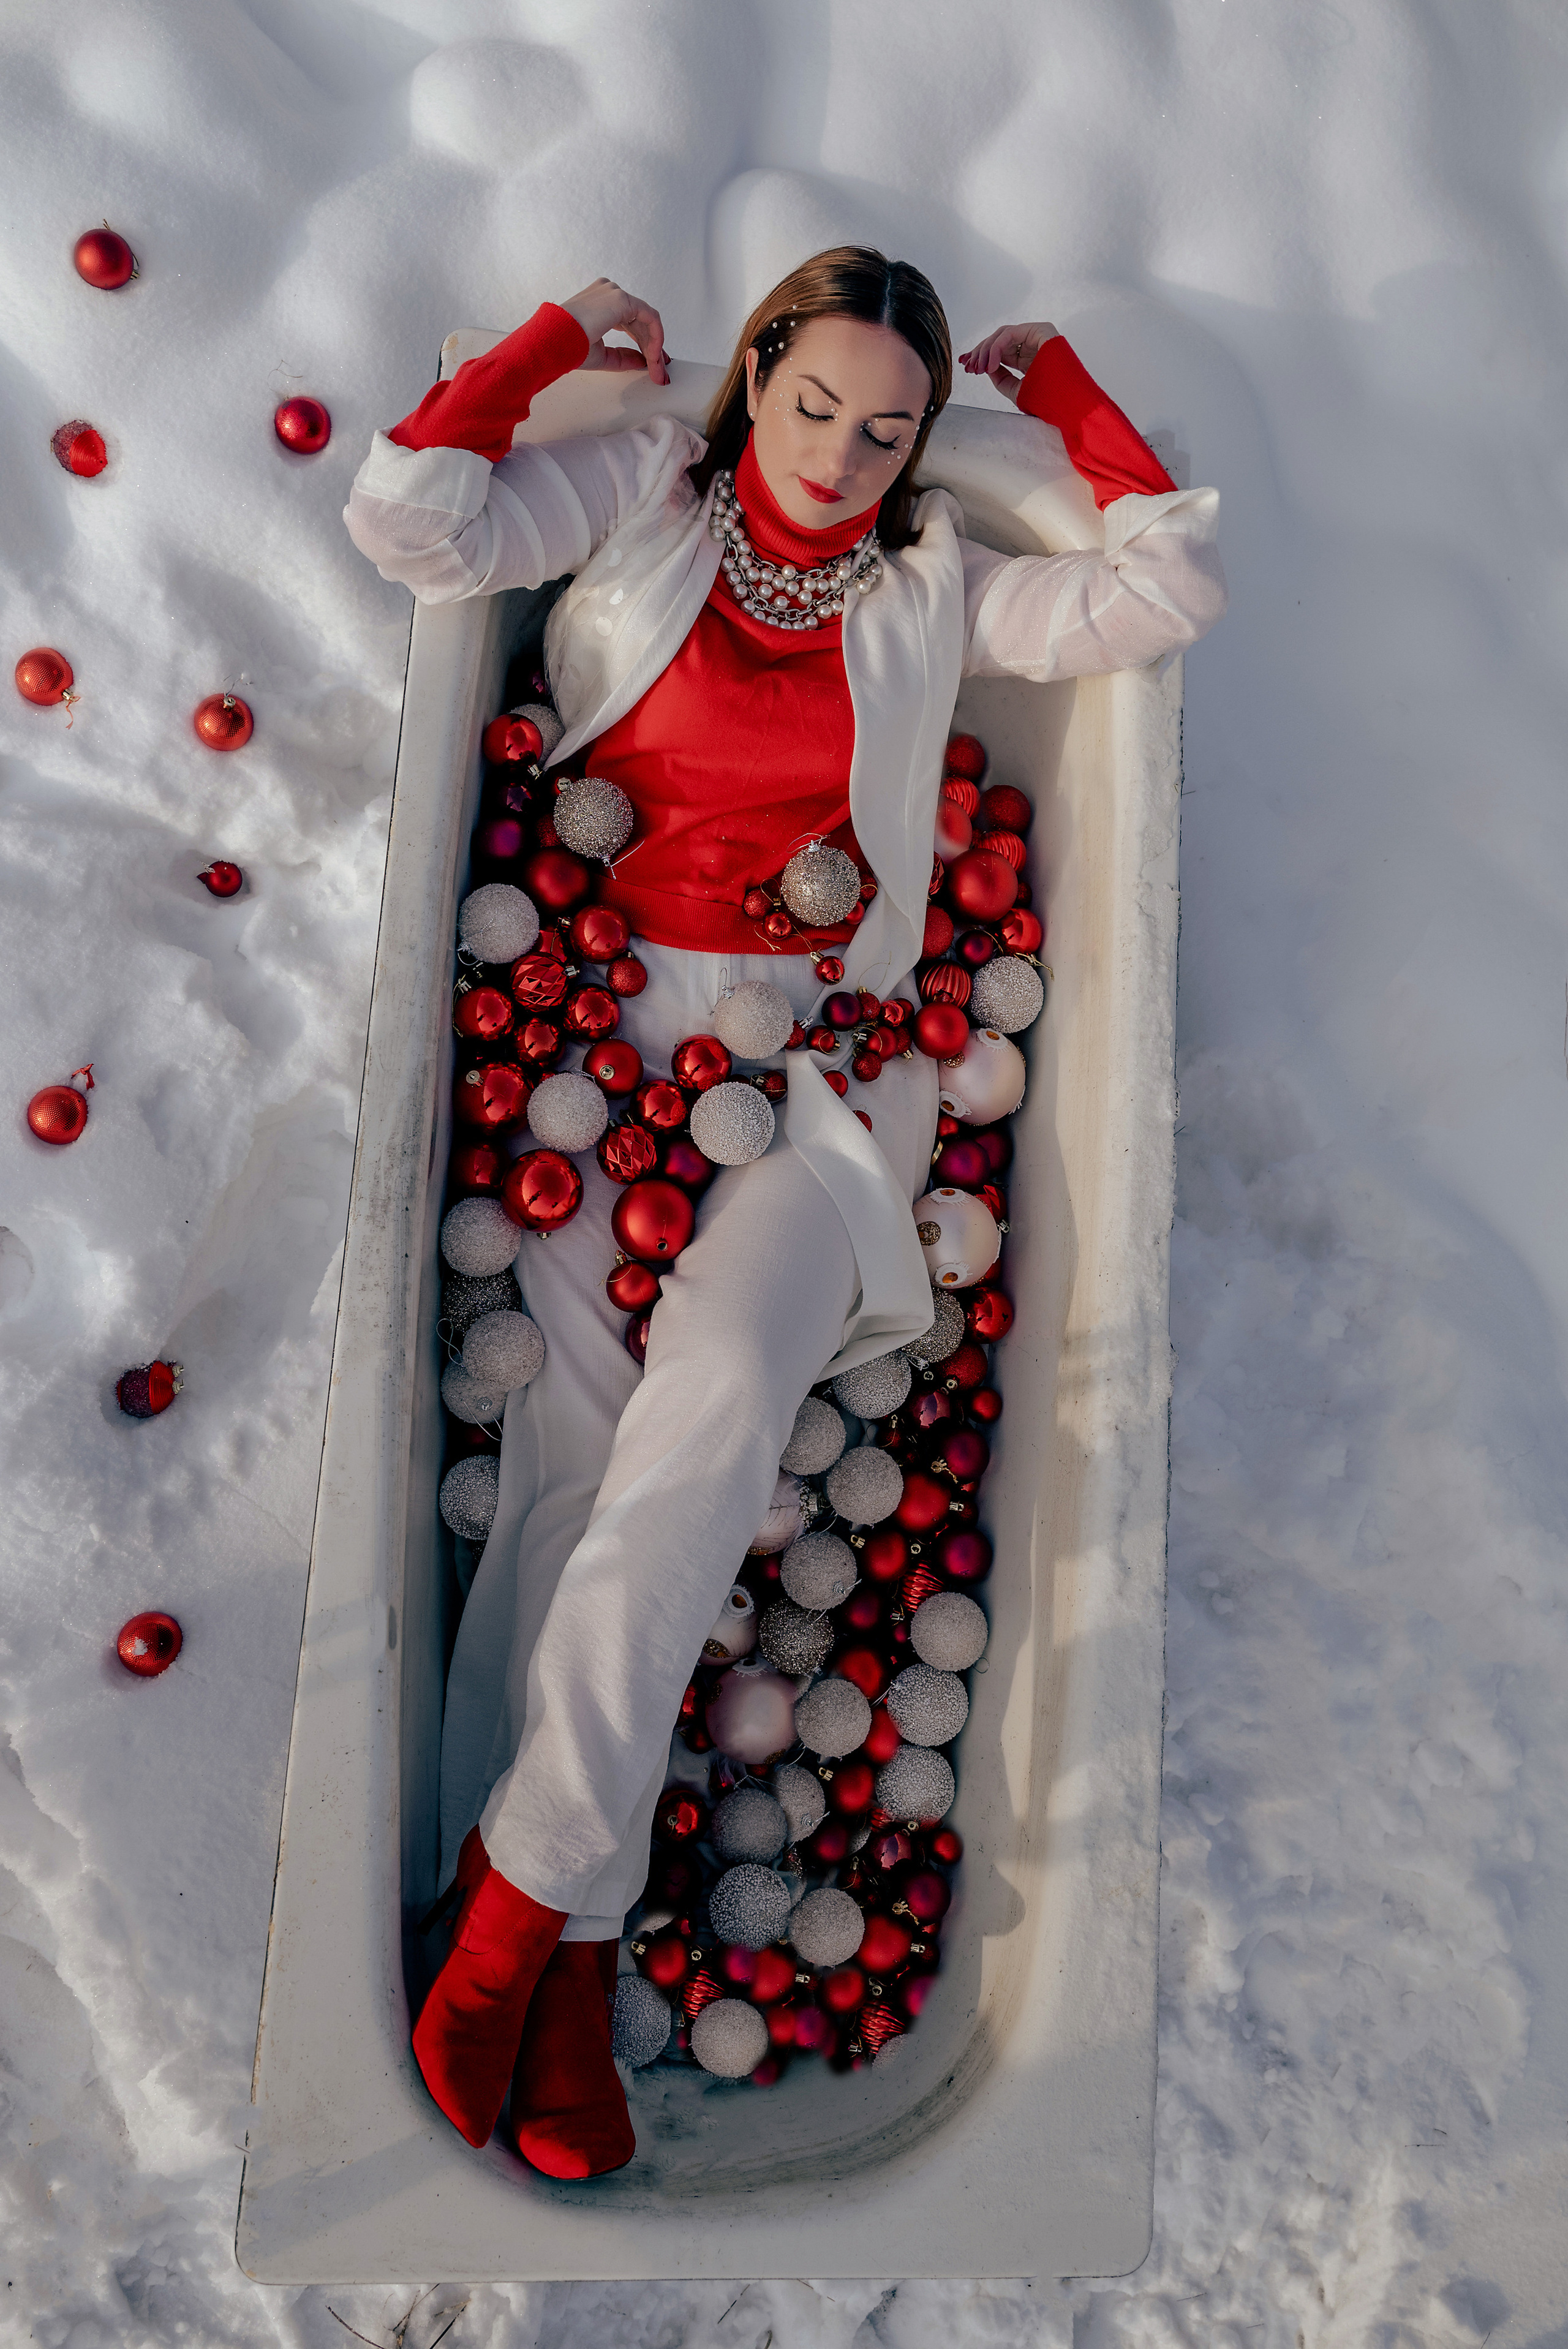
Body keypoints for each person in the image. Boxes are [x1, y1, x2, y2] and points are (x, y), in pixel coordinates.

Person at [345, 247, 1226, 2179]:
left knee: (726, 1401)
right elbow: (413, 521)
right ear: (753, 380)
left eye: (889, 426)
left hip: (835, 1063)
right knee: (579, 1475)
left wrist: (1066, 387)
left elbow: (1162, 585)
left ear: (923, 448)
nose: (840, 452)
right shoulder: (639, 506)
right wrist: (555, 348)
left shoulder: (933, 587)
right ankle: (560, 1953)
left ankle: (502, 1922)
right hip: (599, 1037)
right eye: (813, 402)